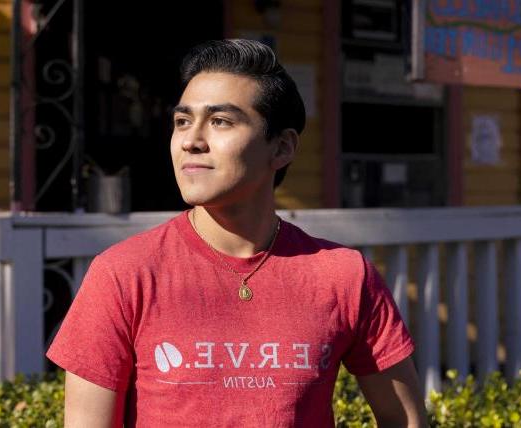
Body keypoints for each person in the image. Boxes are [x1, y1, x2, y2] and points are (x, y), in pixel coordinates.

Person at [47, 39, 426, 427]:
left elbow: (405, 418)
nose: (192, 140)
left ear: (281, 147)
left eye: (220, 121)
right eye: (182, 121)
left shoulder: (344, 277)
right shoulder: (124, 274)